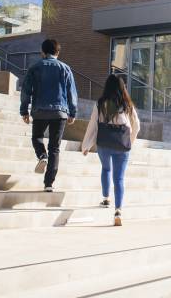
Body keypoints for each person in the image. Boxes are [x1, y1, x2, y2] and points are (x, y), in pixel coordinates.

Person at [81, 74, 141, 226]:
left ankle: (106, 198)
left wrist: (86, 145)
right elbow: (137, 126)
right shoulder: (127, 104)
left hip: (104, 143)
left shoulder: (100, 103)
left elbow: (93, 125)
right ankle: (118, 211)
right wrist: (130, 142)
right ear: (122, 87)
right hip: (122, 145)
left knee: (106, 169)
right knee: (119, 178)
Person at [19, 39, 77, 192]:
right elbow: (72, 93)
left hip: (39, 110)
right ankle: (49, 184)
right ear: (58, 52)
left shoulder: (35, 67)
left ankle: (41, 155)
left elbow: (26, 91)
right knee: (55, 148)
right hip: (60, 112)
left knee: (37, 137)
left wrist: (24, 110)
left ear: (42, 52)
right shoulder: (65, 68)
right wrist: (72, 112)